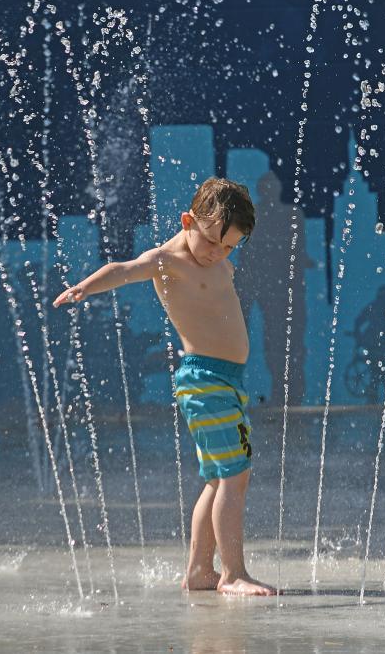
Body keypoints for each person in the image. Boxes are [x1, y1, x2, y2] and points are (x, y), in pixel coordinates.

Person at [53, 176, 276, 596]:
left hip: (226, 381)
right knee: (235, 474)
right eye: (212, 241)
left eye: (230, 247)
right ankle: (233, 573)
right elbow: (123, 270)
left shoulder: (214, 254)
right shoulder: (167, 260)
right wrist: (85, 287)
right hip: (204, 380)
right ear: (188, 221)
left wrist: (220, 249)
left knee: (218, 478)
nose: (218, 254)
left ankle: (198, 572)